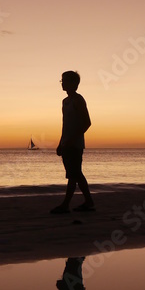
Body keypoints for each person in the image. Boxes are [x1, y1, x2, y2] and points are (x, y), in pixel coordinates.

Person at [50, 70, 94, 214]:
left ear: (73, 83)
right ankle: (87, 202)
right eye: (62, 80)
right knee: (74, 174)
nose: (62, 83)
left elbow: (86, 122)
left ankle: (67, 205)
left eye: (64, 80)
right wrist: (61, 142)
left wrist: (72, 140)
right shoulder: (65, 101)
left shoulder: (78, 100)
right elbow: (65, 124)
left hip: (75, 144)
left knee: (74, 174)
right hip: (66, 143)